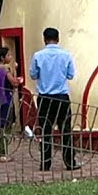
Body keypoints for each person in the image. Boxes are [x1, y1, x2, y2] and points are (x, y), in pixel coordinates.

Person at [29, 27, 79, 171]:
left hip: (45, 97)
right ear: (58, 39)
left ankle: (45, 163)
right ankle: (69, 162)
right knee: (66, 130)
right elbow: (70, 75)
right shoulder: (66, 55)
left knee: (46, 131)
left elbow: (33, 75)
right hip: (62, 96)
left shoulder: (38, 56)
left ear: (44, 39)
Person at [0, 46, 21, 161]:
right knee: (5, 126)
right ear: (2, 57)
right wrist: (15, 71)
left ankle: (0, 152)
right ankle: (3, 153)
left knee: (0, 126)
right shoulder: (5, 68)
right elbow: (14, 83)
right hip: (5, 99)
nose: (10, 57)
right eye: (8, 55)